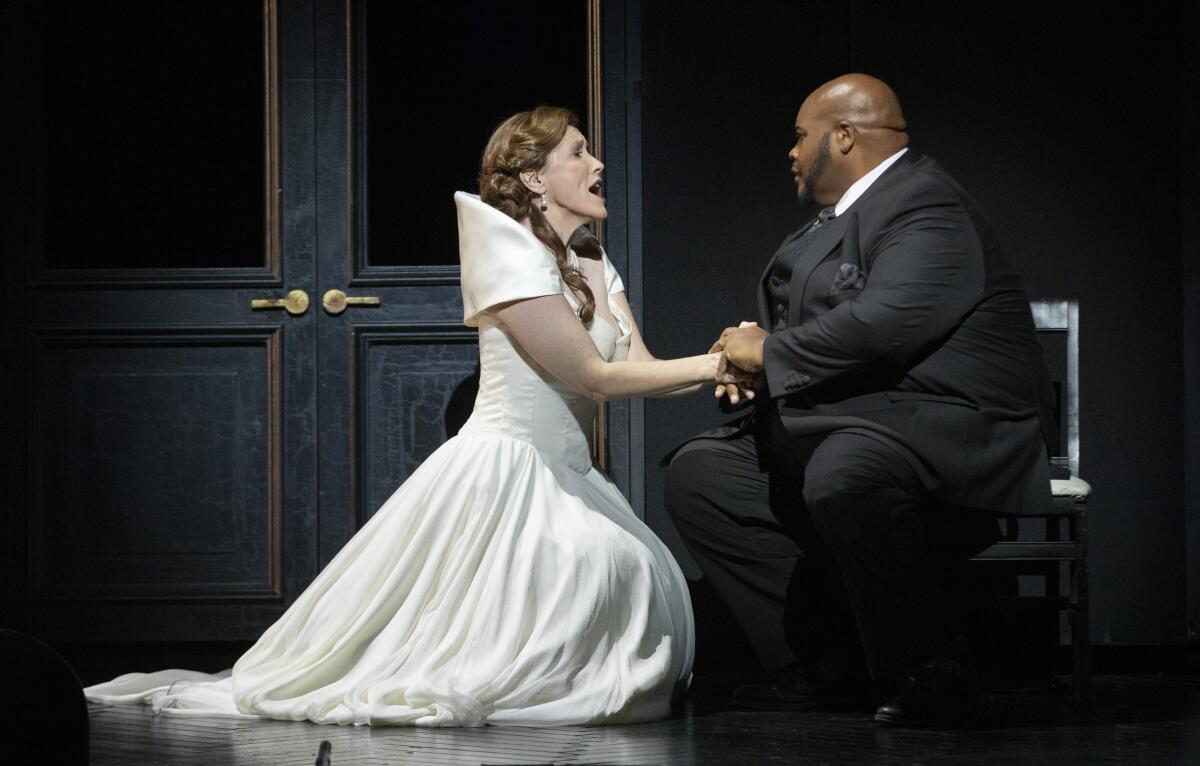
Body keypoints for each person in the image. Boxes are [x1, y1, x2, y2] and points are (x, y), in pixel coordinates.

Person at [85, 106, 714, 727]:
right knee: (580, 572)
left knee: (629, 568)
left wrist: (724, 363)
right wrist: (719, 367)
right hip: (510, 466)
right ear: (533, 178)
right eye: (578, 151)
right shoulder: (512, 255)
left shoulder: (593, 258)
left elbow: (641, 368)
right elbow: (595, 378)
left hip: (571, 471)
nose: (597, 163)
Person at [664, 74, 1057, 726]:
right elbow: (818, 324)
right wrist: (758, 371)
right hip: (854, 415)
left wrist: (768, 354)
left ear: (842, 135)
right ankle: (823, 663)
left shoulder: (922, 201)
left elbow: (893, 317)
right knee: (703, 477)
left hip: (941, 421)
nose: (791, 152)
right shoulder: (839, 218)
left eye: (800, 135)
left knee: (844, 475)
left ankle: (930, 666)